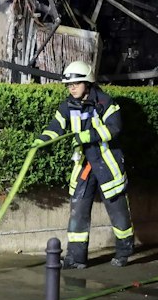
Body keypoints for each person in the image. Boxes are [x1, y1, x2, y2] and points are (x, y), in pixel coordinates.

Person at [37, 60, 135, 269]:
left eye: (76, 83)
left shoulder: (105, 102)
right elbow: (56, 126)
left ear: (88, 83)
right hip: (84, 165)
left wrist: (87, 136)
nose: (72, 88)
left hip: (107, 164)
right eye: (69, 84)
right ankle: (76, 257)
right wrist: (43, 139)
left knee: (117, 209)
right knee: (78, 209)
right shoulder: (67, 106)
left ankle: (125, 251)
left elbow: (114, 128)